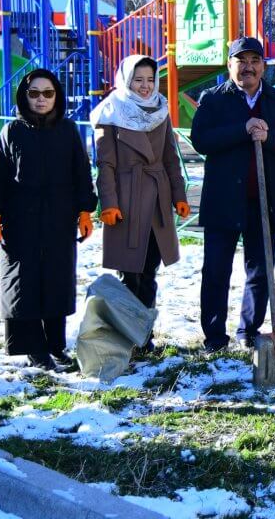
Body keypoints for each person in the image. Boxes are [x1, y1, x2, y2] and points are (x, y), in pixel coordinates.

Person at [190, 37, 275, 353]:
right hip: (223, 200)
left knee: (261, 270)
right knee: (216, 271)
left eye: (255, 61)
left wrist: (269, 136)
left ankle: (249, 330)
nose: (248, 67)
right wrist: (242, 129)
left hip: (264, 201)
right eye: (241, 61)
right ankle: (215, 337)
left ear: (263, 66)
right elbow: (201, 139)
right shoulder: (213, 99)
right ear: (230, 65)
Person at [0, 69, 97, 370]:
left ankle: (56, 345)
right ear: (25, 96)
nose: (41, 99)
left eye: (48, 93)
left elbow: (81, 171)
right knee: (25, 283)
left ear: (57, 96)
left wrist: (85, 210)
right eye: (34, 93)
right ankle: (34, 348)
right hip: (21, 221)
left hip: (59, 219)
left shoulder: (68, 130)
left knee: (57, 281)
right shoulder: (12, 131)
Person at [91, 56, 190, 350]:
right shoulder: (111, 111)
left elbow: (171, 158)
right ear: (126, 80)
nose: (145, 86)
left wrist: (179, 195)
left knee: (149, 271)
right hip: (126, 201)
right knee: (129, 273)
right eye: (138, 80)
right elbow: (105, 163)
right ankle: (126, 336)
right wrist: (109, 202)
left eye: (150, 79)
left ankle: (144, 336)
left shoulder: (160, 109)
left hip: (157, 201)